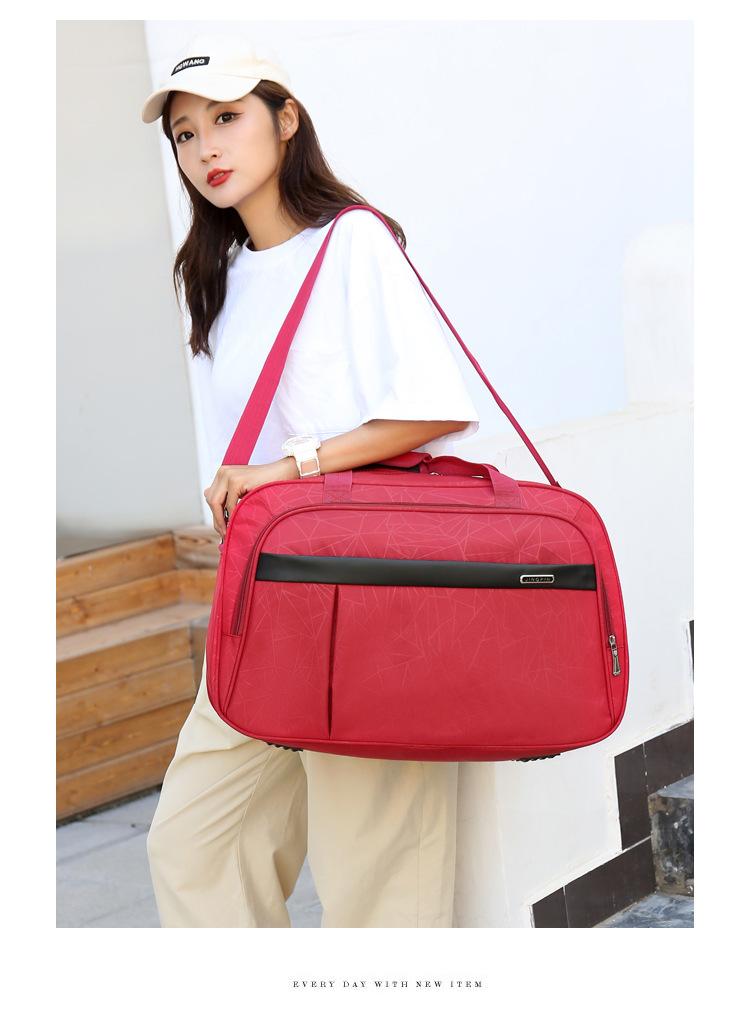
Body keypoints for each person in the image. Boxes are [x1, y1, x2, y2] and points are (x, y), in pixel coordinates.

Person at [140, 33, 482, 928]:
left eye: (227, 117)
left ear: (286, 119)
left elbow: (432, 408)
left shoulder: (353, 242)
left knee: (375, 869)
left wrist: (286, 467)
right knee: (196, 844)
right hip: (264, 590)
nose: (205, 148)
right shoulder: (215, 273)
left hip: (363, 586)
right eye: (185, 134)